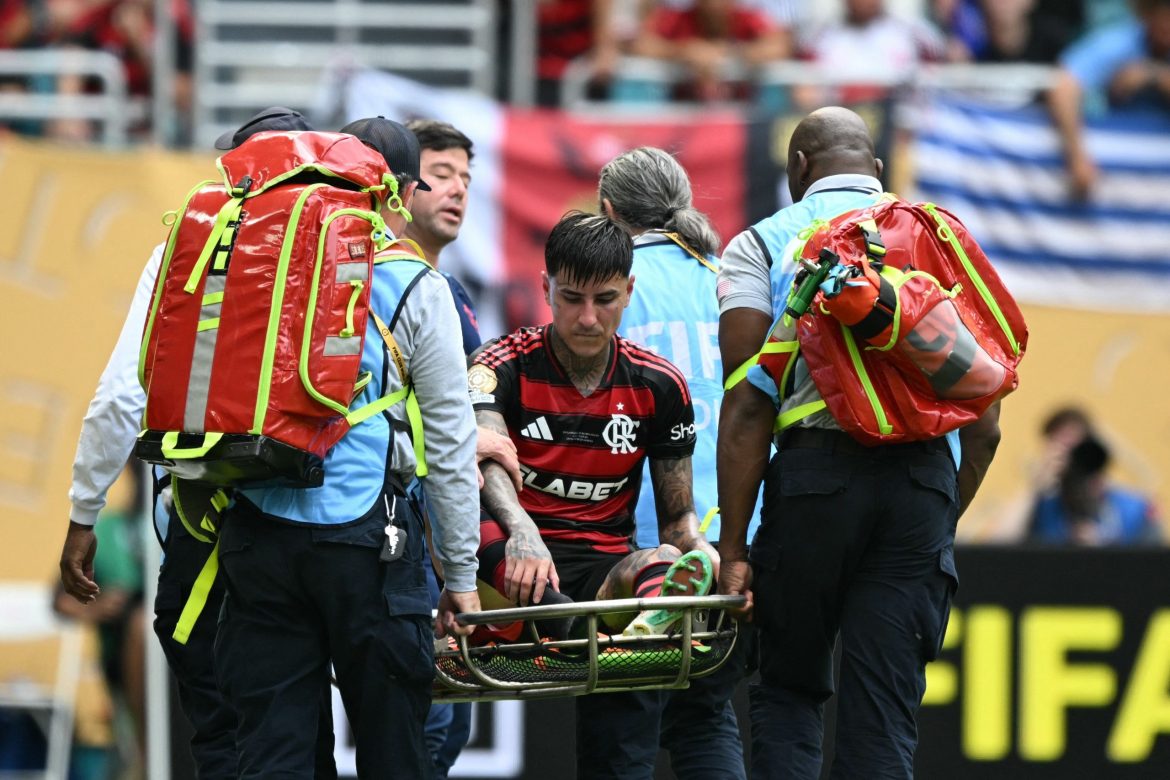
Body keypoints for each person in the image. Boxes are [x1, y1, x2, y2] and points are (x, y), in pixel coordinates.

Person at [716, 106, 1002, 779]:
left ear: (798, 169)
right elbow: (986, 423)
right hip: (921, 486)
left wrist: (734, 550)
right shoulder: (939, 238)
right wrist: (934, 518)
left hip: (816, 482)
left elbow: (747, 405)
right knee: (882, 712)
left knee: (789, 690)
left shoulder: (757, 245)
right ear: (876, 172)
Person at [57, 106, 341, 779]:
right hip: (331, 535)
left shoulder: (186, 248)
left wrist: (82, 514)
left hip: (210, 528)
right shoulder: (349, 249)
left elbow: (123, 397)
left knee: (223, 728)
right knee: (303, 730)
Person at [203, 116, 481, 779]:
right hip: (369, 549)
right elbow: (449, 441)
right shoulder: (417, 284)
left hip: (256, 535)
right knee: (394, 756)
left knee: (277, 757)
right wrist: (463, 576)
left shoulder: (259, 260)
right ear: (405, 191)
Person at [471, 211, 718, 779]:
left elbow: (677, 517)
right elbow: (486, 461)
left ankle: (627, 637)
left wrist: (701, 551)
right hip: (506, 565)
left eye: (605, 299)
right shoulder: (496, 367)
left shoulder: (660, 385)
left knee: (663, 561)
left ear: (630, 291)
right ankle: (603, 640)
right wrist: (524, 532)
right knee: (495, 541)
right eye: (571, 297)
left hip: (601, 574)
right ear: (545, 288)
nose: (587, 317)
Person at [601, 145, 759, 778]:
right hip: (733, 536)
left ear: (608, 213)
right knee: (704, 716)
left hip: (640, 542)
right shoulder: (731, 282)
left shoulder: (603, 291)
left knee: (623, 721)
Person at [403, 117, 483, 778]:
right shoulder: (376, 284)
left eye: (466, 178)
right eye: (440, 173)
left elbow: (473, 410)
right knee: (424, 726)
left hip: (435, 537)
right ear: (400, 181)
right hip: (392, 539)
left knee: (448, 724)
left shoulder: (452, 295)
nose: (457, 190)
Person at [1049, 0, 1170, 198]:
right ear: (1147, 15)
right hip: (1120, 177)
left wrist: (1153, 76)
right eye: (1163, 19)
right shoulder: (1119, 41)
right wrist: (1077, 157)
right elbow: (1063, 86)